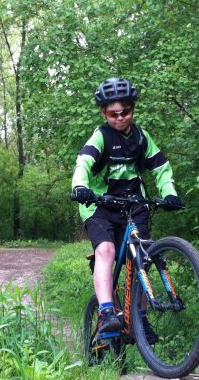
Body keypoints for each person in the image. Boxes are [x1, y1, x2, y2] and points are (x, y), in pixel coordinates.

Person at [70, 77, 184, 337]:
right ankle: (107, 311)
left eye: (125, 112)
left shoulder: (142, 137)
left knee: (142, 258)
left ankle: (140, 319)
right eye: (113, 113)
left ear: (133, 110)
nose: (120, 118)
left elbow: (160, 167)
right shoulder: (101, 136)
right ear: (104, 112)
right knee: (106, 250)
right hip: (99, 204)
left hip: (134, 204)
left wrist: (169, 193)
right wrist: (80, 187)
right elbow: (84, 162)